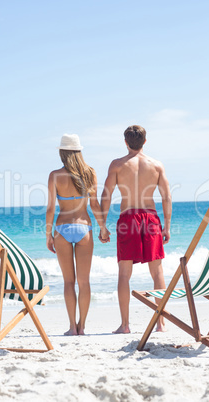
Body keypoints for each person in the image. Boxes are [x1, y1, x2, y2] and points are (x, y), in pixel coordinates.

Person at [100, 125, 172, 334]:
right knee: (157, 271)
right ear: (145, 142)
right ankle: (161, 323)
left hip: (127, 218)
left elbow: (107, 195)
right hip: (150, 218)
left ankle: (125, 325)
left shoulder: (117, 165)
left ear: (125, 142)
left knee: (124, 274)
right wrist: (167, 226)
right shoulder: (156, 165)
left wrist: (103, 225)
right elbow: (166, 197)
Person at [46, 134, 110, 336]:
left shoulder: (54, 175)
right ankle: (82, 327)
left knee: (68, 282)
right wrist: (103, 228)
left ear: (62, 152)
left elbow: (50, 209)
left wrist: (48, 234)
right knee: (84, 281)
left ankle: (72, 328)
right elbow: (94, 204)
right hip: (84, 228)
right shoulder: (89, 172)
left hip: (62, 228)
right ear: (79, 151)